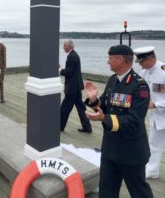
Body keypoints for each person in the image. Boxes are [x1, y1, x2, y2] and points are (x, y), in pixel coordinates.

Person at [85, 44, 153, 198]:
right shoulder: (112, 80)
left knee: (139, 192)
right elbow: (104, 106)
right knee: (106, 192)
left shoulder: (139, 86)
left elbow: (134, 120)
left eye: (110, 58)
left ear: (121, 59)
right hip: (110, 148)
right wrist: (94, 100)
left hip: (131, 151)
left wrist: (105, 118)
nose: (108, 61)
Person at [134, 46, 165, 179]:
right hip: (156, 116)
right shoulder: (144, 73)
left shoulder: (164, 71)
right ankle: (152, 171)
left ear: (150, 58)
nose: (140, 65)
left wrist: (156, 104)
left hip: (160, 110)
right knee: (154, 143)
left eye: (141, 62)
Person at [60, 39, 92, 133]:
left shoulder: (71, 56)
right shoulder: (74, 55)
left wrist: (60, 70)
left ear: (69, 46)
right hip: (76, 87)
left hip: (72, 88)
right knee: (81, 108)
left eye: (64, 45)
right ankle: (87, 127)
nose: (63, 47)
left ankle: (59, 127)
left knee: (64, 108)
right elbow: (73, 71)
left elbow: (69, 72)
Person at [0, 36, 6, 103]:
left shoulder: (2, 46)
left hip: (1, 67)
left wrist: (4, 67)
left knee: (0, 82)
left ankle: (2, 97)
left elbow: (4, 57)